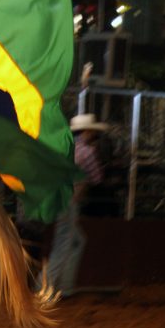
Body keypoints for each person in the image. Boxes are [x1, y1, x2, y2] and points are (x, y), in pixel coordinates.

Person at [39, 113, 106, 297]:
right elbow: (97, 178)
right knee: (64, 243)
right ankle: (45, 286)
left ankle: (65, 286)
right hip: (69, 200)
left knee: (76, 241)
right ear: (89, 131)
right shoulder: (87, 151)